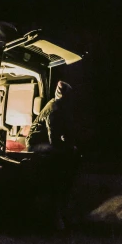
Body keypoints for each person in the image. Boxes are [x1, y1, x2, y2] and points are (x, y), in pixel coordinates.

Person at [26, 80, 79, 230]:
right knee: (59, 157)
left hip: (44, 141)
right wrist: (68, 147)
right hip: (34, 144)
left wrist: (71, 143)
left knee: (66, 153)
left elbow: (66, 131)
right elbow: (54, 139)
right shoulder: (54, 109)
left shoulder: (61, 107)